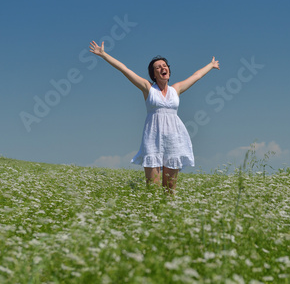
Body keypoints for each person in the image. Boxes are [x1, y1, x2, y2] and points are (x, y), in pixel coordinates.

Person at [89, 41, 220, 193]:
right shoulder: (148, 88)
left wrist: (210, 65)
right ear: (154, 74)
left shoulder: (176, 89)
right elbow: (125, 70)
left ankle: (168, 216)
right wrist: (104, 55)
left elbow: (196, 76)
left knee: (170, 190)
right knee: (153, 190)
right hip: (152, 140)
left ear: (168, 71)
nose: (162, 68)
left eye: (165, 65)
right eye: (158, 67)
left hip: (173, 141)